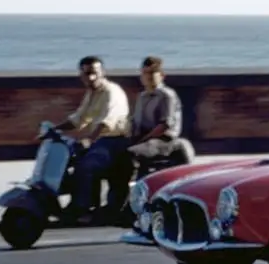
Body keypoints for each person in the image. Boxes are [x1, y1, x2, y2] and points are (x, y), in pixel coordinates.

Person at [45, 56, 130, 223]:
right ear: (81, 75)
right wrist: (54, 129)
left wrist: (90, 140)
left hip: (115, 142)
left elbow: (107, 122)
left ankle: (82, 207)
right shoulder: (92, 93)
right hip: (100, 141)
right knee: (69, 159)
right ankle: (82, 202)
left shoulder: (112, 92)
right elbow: (79, 119)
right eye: (87, 74)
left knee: (87, 166)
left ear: (102, 72)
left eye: (94, 73)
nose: (91, 78)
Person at [128, 56, 188, 169]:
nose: (148, 76)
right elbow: (136, 122)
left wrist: (143, 140)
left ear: (162, 75)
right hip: (143, 138)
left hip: (163, 140)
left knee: (130, 154)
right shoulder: (141, 96)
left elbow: (164, 125)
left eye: (152, 73)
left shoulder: (166, 95)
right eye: (145, 73)